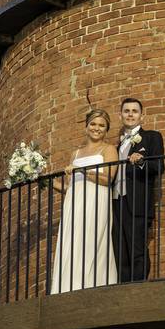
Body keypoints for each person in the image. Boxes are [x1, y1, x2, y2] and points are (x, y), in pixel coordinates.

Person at [50, 109, 120, 294]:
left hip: (97, 200)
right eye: (94, 124)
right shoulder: (76, 154)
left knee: (93, 238)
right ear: (86, 126)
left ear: (106, 130)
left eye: (102, 126)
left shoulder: (109, 149)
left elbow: (108, 179)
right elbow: (73, 187)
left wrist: (82, 171)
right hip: (75, 203)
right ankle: (68, 287)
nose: (97, 128)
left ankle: (93, 286)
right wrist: (50, 184)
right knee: (72, 240)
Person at [111, 97, 164, 282]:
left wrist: (141, 161)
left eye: (134, 111)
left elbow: (159, 166)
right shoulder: (116, 146)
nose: (130, 114)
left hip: (137, 201)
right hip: (116, 202)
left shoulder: (151, 137)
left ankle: (138, 285)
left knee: (137, 247)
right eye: (127, 111)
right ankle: (124, 286)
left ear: (142, 116)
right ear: (120, 115)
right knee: (120, 249)